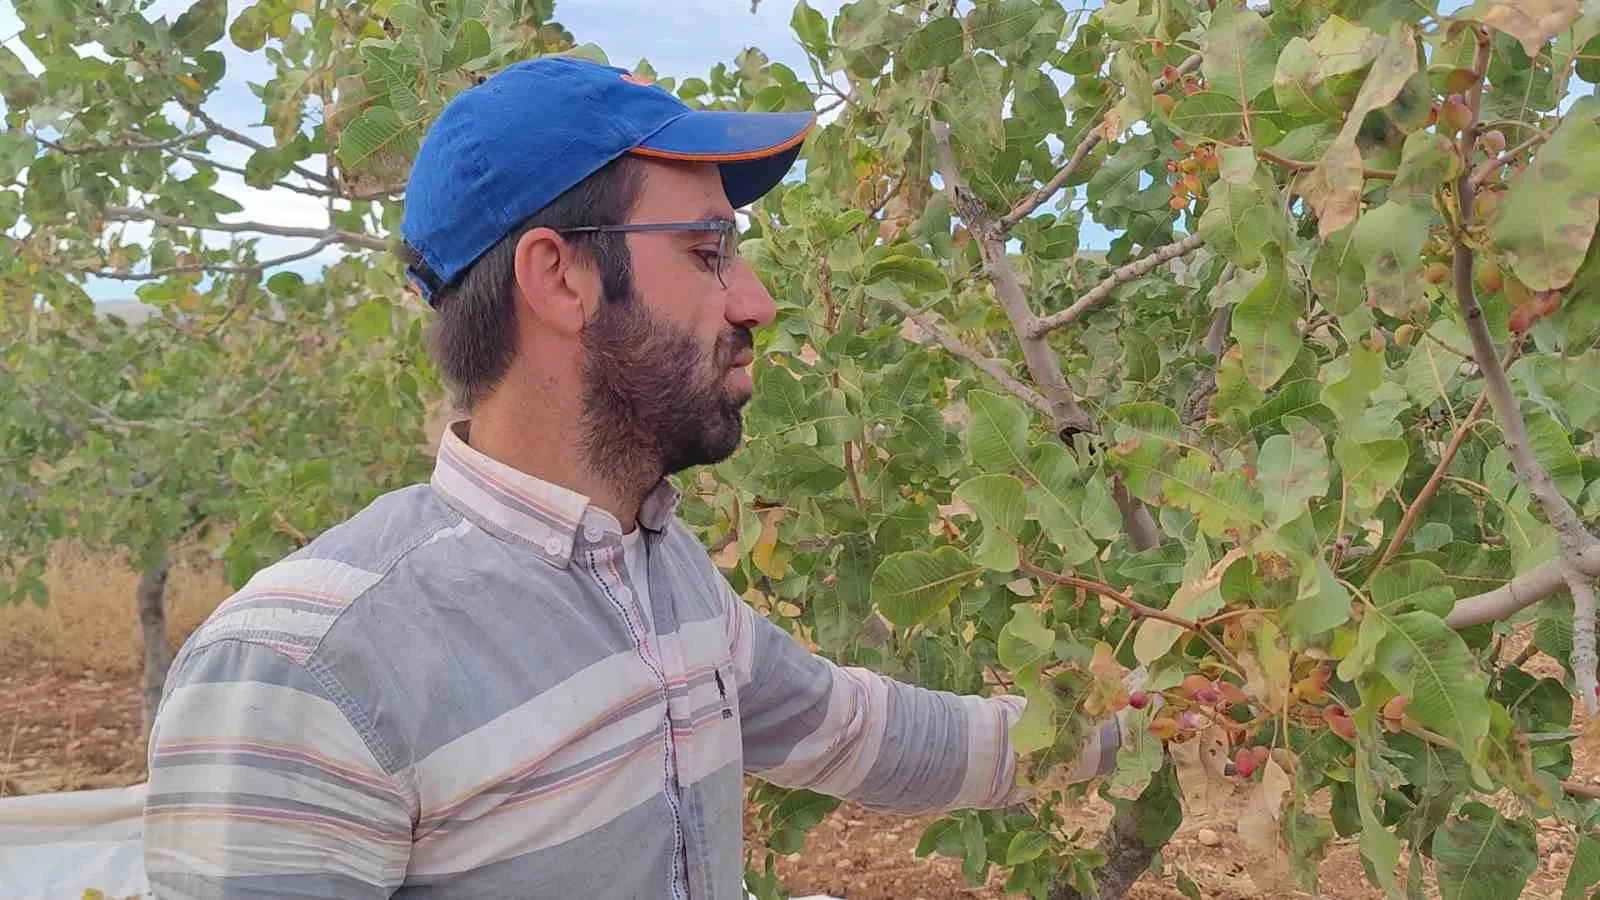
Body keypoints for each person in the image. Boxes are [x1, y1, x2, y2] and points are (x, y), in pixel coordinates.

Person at [141, 56, 1124, 898]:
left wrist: (1126, 727)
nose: (757, 301)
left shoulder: (661, 569)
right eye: (707, 253)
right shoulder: (305, 673)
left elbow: (846, 726)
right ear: (558, 277)